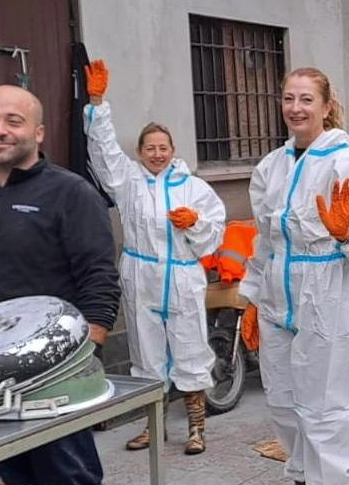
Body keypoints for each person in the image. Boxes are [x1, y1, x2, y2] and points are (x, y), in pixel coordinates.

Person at [0, 84, 120, 485]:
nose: (0, 130)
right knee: (15, 474)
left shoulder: (71, 193)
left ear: (38, 133)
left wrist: (81, 359)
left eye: (13, 120)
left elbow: (99, 277)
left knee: (67, 477)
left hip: (51, 377)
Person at [240, 67, 349, 485]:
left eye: (307, 99)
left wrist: (348, 232)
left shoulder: (347, 162)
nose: (296, 108)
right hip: (278, 297)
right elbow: (265, 240)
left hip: (328, 294)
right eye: (289, 98)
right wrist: (252, 298)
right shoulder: (271, 167)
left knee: (326, 407)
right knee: (283, 403)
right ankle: (302, 477)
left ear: (327, 107)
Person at [82, 59, 226, 455]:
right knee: (145, 354)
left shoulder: (194, 188)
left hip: (181, 278)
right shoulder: (128, 182)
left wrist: (194, 223)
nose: (157, 154)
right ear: (140, 151)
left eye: (163, 148)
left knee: (190, 349)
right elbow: (105, 152)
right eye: (150, 148)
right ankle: (153, 425)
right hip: (140, 275)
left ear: (173, 150)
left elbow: (214, 234)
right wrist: (98, 105)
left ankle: (197, 427)